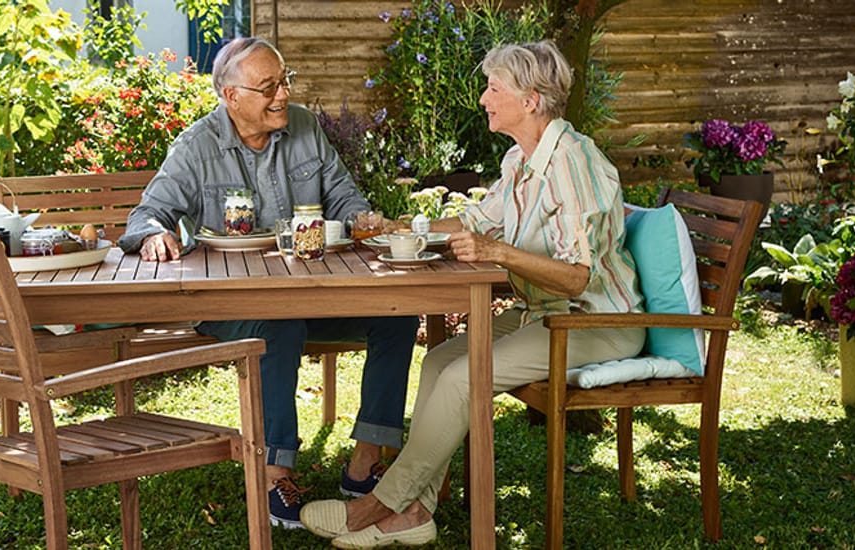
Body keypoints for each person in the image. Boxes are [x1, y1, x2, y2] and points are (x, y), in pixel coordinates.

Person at [298, 41, 647, 549]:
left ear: (530, 100)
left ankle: (378, 507)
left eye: (494, 88)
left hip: (596, 324)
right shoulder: (522, 159)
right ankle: (415, 511)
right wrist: (399, 227)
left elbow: (576, 277)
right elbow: (474, 222)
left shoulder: (573, 163)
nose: (484, 98)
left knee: (465, 377)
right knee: (439, 361)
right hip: (545, 314)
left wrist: (498, 253)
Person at [118, 37, 419, 529]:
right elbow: (147, 214)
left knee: (398, 313)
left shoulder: (302, 126)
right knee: (277, 329)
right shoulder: (197, 146)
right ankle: (275, 473)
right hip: (234, 304)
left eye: (284, 82)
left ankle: (365, 464)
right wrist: (154, 234)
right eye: (267, 87)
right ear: (231, 96)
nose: (282, 95)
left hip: (311, 293)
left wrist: (361, 216)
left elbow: (342, 193)